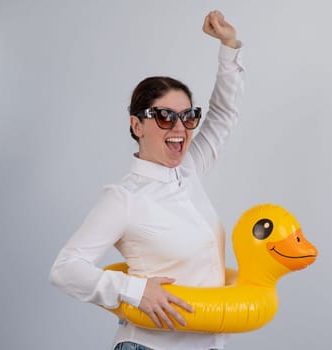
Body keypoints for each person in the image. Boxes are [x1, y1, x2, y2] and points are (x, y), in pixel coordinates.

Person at [49, 10, 244, 350]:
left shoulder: (189, 169)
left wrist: (228, 46)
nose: (180, 128)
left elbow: (224, 115)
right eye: (165, 117)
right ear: (137, 125)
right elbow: (65, 269)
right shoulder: (123, 198)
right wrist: (134, 291)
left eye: (188, 117)